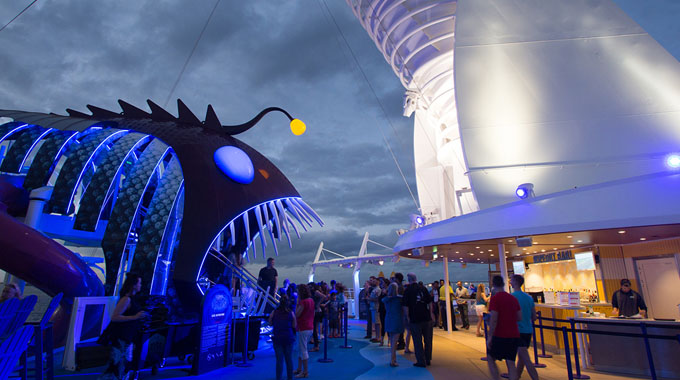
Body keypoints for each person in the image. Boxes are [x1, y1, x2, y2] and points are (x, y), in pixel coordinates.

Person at [98, 274, 148, 380]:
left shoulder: (133, 299)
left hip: (127, 337)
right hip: (121, 337)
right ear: (133, 285)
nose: (141, 285)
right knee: (116, 365)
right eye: (139, 283)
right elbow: (115, 317)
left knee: (123, 364)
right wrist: (135, 317)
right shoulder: (126, 299)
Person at [486, 275, 521, 380]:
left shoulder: (495, 299)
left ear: (493, 284)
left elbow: (494, 319)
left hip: (500, 335)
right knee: (511, 363)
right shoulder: (512, 298)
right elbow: (519, 317)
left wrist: (490, 336)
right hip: (514, 335)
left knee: (491, 358)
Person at [402, 273, 434, 368]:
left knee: (417, 340)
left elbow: (405, 306)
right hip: (426, 317)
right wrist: (431, 314)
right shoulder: (423, 288)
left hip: (415, 318)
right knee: (428, 339)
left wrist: (407, 317)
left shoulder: (408, 290)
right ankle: (428, 359)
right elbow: (429, 302)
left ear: (409, 279)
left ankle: (421, 361)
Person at [510, 275, 539, 380]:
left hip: (517, 331)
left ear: (515, 282)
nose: (510, 282)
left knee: (526, 359)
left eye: (511, 280)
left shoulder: (512, 297)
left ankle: (535, 377)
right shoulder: (529, 298)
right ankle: (517, 376)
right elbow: (534, 316)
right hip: (528, 331)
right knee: (522, 358)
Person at [269, 294, 297, 380]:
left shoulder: (274, 312)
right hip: (288, 337)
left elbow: (270, 323)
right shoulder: (291, 313)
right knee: (289, 360)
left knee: (279, 361)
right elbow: (294, 325)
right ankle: (290, 378)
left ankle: (278, 378)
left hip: (278, 338)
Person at [294, 284, 314, 378]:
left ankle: (305, 371)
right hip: (309, 327)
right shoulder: (311, 301)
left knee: (303, 350)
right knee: (301, 349)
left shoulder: (303, 302)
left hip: (302, 327)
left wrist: (297, 302)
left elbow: (297, 314)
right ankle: (299, 369)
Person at [382, 282, 404, 367]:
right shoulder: (399, 299)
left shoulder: (386, 300)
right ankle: (393, 360)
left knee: (392, 340)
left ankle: (393, 358)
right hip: (397, 320)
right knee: (395, 341)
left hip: (388, 319)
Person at [368, 278, 382, 343]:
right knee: (375, 323)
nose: (372, 282)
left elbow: (378, 299)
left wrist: (370, 299)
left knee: (377, 323)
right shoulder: (374, 289)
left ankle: (379, 337)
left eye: (374, 281)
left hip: (376, 308)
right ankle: (377, 336)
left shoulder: (378, 290)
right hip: (373, 307)